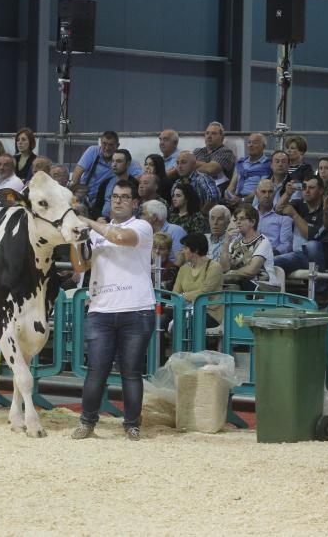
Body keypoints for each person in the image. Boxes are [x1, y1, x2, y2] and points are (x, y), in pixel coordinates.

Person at [69, 179, 155, 441]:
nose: (118, 201)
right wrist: (76, 238)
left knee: (131, 372)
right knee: (96, 371)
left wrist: (87, 221)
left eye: (125, 197)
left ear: (135, 203)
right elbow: (80, 267)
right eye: (115, 196)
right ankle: (87, 422)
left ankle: (132, 424)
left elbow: (119, 238)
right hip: (100, 309)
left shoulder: (142, 226)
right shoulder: (95, 233)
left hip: (137, 307)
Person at [274, 176, 328, 284]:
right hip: (299, 255)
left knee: (312, 245)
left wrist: (295, 215)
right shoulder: (299, 203)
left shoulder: (326, 210)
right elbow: (278, 209)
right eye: (304, 187)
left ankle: (320, 289)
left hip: (320, 257)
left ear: (320, 190)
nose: (307, 191)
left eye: (311, 188)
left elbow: (311, 235)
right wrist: (288, 194)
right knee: (272, 261)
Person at [70, 131, 142, 204]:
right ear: (100, 142)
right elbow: (77, 172)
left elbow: (140, 178)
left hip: (105, 200)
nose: (107, 148)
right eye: (104, 144)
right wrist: (76, 191)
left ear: (117, 145)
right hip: (85, 196)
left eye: (111, 145)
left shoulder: (123, 160)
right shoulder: (93, 151)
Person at [221, 204, 280, 291]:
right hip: (239, 284)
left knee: (232, 288)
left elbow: (251, 271)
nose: (237, 222)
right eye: (236, 219)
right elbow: (224, 267)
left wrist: (230, 273)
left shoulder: (263, 242)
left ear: (252, 222)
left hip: (263, 287)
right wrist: (226, 242)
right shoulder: (234, 242)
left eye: (241, 219)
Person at [173, 233, 224, 327]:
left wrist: (183, 296)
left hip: (209, 313)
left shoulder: (214, 267)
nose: (182, 251)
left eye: (185, 248)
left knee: (185, 325)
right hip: (185, 310)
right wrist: (182, 297)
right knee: (161, 319)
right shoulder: (183, 269)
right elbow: (175, 294)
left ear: (195, 250)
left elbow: (204, 294)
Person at [225, 133, 271, 205]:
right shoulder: (241, 163)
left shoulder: (267, 165)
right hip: (235, 198)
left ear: (263, 146)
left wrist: (243, 200)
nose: (250, 145)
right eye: (249, 142)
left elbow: (261, 189)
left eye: (255, 143)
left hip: (253, 201)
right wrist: (229, 196)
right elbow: (232, 185)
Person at [96, 149, 139, 220]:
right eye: (113, 161)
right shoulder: (106, 183)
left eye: (119, 161)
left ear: (128, 163)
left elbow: (136, 207)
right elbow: (97, 206)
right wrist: (98, 217)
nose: (114, 164)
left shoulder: (134, 184)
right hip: (103, 221)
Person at [193, 121, 236, 192]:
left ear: (222, 137)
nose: (209, 136)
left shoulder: (226, 152)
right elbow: (186, 166)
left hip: (215, 189)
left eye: (213, 133)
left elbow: (211, 169)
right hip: (195, 186)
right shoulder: (197, 151)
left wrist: (192, 166)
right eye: (207, 133)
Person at [256, 178, 293, 255]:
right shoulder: (248, 214)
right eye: (263, 192)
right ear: (257, 194)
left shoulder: (284, 217)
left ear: (275, 194)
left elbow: (286, 244)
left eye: (270, 192)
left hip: (272, 255)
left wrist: (272, 253)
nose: (267, 195)